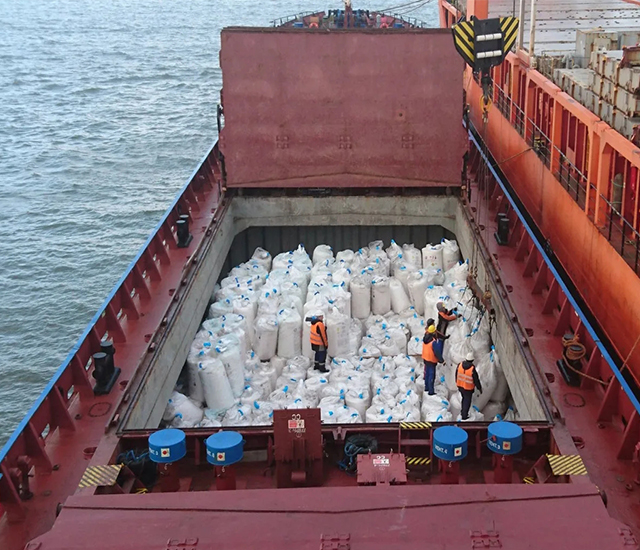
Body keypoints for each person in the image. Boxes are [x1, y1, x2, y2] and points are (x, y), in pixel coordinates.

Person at [456, 352, 482, 420]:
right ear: (472, 360)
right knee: (467, 401)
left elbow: (456, 375)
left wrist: (457, 382)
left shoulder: (460, 365)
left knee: (464, 399)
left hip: (460, 386)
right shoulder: (472, 369)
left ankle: (462, 412)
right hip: (468, 388)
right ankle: (464, 416)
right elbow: (476, 380)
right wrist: (479, 388)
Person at [422, 325, 444, 395]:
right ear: (434, 332)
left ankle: (426, 388)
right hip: (431, 360)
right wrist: (442, 360)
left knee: (427, 374)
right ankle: (431, 391)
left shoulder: (425, 339)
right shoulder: (433, 342)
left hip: (425, 358)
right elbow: (437, 352)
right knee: (431, 376)